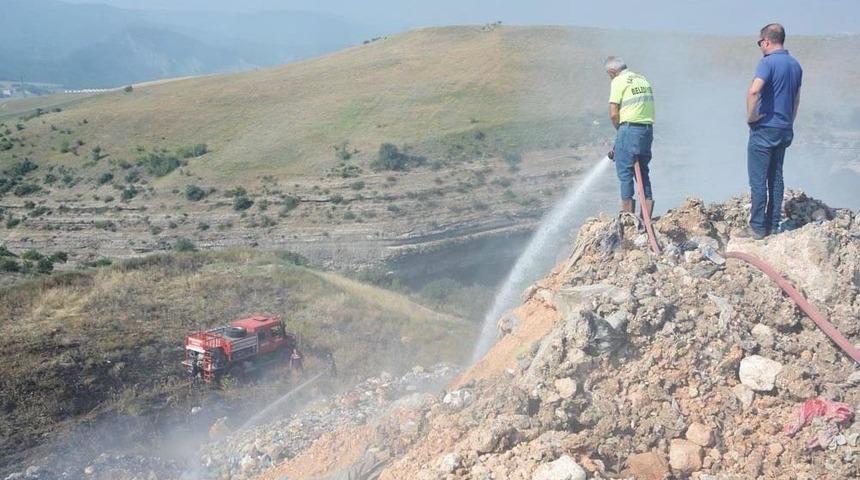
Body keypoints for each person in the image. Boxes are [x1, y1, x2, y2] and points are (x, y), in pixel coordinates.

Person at [744, 23, 802, 239]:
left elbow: (754, 91)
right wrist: (789, 121)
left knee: (758, 179)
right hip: (784, 128)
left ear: (766, 41)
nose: (760, 46)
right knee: (776, 177)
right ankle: (774, 225)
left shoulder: (767, 63)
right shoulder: (795, 65)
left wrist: (751, 117)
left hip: (765, 128)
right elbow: (796, 99)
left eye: (760, 43)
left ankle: (758, 228)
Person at [605, 56, 656, 217]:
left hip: (629, 129)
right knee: (642, 171)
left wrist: (619, 131)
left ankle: (628, 218)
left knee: (625, 172)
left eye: (609, 75)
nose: (610, 78)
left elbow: (613, 114)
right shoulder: (642, 79)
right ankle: (646, 216)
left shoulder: (618, 81)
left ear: (613, 71)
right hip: (647, 131)